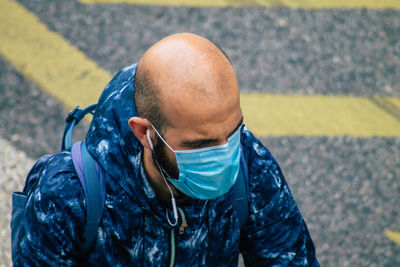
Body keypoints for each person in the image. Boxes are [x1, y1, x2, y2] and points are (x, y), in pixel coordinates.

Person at [13, 33, 318, 266]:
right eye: (201, 145)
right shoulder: (66, 197)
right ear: (145, 132)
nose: (226, 155)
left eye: (234, 130)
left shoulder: (249, 162)